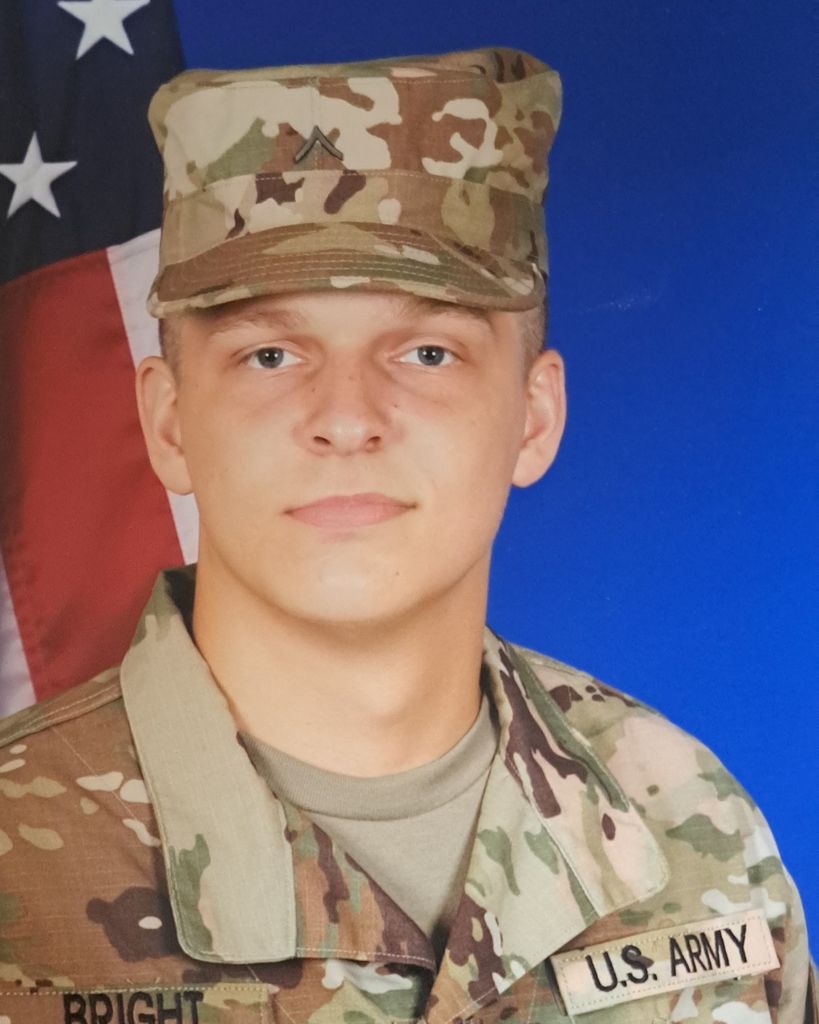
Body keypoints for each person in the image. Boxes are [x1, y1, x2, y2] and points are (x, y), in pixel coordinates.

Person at [0, 46, 814, 1024]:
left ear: (534, 417)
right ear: (169, 424)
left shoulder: (689, 824)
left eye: (427, 352)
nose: (347, 417)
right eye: (270, 355)